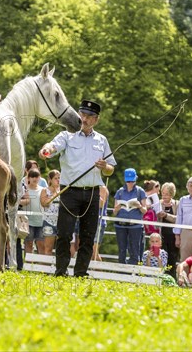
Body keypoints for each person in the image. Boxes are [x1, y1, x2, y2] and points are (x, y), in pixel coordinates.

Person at [39, 99, 116, 277]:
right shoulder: (67, 135)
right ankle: (61, 271)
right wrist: (46, 149)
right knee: (64, 234)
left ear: (96, 119)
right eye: (82, 114)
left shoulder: (102, 140)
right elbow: (52, 146)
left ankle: (81, 272)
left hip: (92, 193)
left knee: (88, 237)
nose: (84, 119)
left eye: (89, 116)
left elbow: (111, 169)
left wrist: (105, 167)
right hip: (69, 192)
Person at [113, 168, 147, 265]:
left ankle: (133, 273)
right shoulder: (119, 192)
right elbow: (114, 212)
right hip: (120, 225)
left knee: (134, 251)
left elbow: (144, 211)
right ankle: (121, 273)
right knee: (121, 250)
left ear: (135, 179)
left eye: (131, 181)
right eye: (128, 181)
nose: (130, 183)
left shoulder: (140, 191)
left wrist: (139, 206)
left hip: (135, 225)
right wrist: (117, 208)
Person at [21, 168, 45, 254]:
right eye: (32, 176)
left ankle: (42, 265)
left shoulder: (43, 190)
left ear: (40, 177)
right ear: (28, 178)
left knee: (41, 244)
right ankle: (28, 264)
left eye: (37, 176)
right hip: (28, 222)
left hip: (41, 221)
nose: (35, 179)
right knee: (29, 243)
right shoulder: (24, 190)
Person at [160, 182, 179, 277]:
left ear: (171, 194)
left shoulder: (177, 204)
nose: (164, 196)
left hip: (173, 235)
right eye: (163, 193)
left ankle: (172, 277)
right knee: (162, 255)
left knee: (173, 256)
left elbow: (178, 219)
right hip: (161, 234)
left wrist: (166, 215)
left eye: (166, 194)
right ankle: (162, 276)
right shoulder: (158, 203)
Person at [40, 169, 60, 255]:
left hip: (61, 222)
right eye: (56, 178)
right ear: (50, 180)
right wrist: (54, 194)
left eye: (59, 178)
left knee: (62, 248)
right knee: (48, 248)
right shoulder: (45, 190)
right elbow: (44, 203)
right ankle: (46, 268)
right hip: (49, 222)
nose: (58, 180)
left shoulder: (64, 190)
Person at [92, 185, 110, 261]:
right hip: (90, 221)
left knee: (94, 251)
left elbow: (101, 204)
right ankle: (90, 271)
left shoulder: (102, 188)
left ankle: (100, 271)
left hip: (99, 222)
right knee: (89, 251)